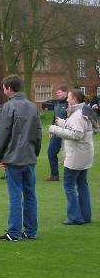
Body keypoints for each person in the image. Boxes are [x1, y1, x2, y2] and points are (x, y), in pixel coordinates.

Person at [0, 75, 42, 241]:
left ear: (8, 88)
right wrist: (35, 152)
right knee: (30, 194)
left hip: (14, 158)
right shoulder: (32, 106)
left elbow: (2, 133)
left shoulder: (9, 107)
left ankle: (14, 232)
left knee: (15, 195)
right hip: (29, 156)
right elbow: (38, 133)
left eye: (4, 88)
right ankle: (31, 230)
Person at [48, 89, 93, 225]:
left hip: (76, 155)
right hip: (84, 154)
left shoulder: (78, 114)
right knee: (82, 184)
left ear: (74, 99)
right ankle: (85, 215)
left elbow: (77, 134)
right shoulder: (82, 111)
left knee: (69, 185)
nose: (67, 99)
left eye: (69, 97)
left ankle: (75, 217)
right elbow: (76, 127)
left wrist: (55, 129)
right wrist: (62, 122)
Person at [45, 86, 69, 182]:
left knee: (68, 156)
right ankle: (54, 175)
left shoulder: (69, 104)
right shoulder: (56, 104)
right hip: (56, 132)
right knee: (51, 152)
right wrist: (51, 129)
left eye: (59, 92)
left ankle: (71, 176)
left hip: (67, 133)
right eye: (57, 93)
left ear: (65, 92)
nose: (57, 94)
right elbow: (55, 118)